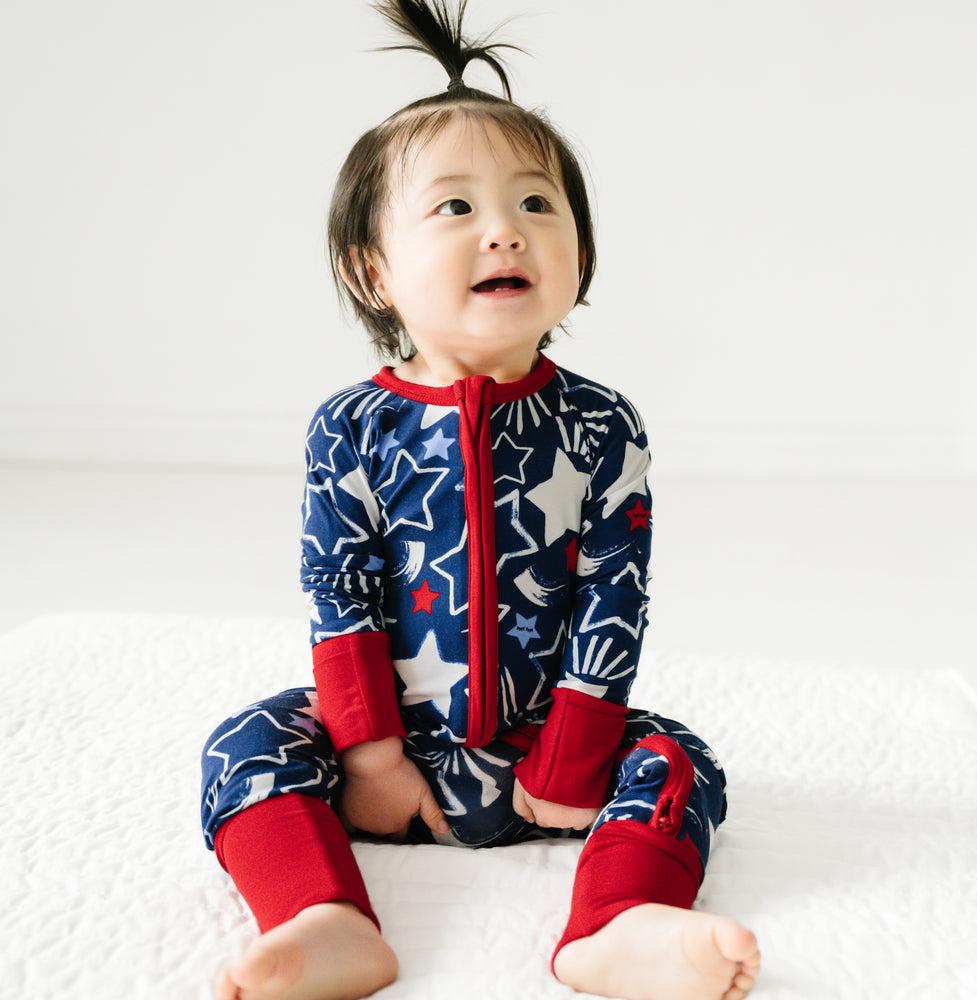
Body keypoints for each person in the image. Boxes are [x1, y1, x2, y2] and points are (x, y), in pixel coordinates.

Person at [200, 2, 761, 998]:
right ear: (370, 270)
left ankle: (620, 921)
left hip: (552, 746)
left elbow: (612, 597)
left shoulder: (601, 427)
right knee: (245, 742)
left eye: (537, 205)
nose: (505, 227)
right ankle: (321, 917)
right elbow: (341, 594)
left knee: (681, 758)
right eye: (454, 207)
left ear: (578, 257)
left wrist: (574, 757)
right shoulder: (350, 428)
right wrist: (368, 758)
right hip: (394, 751)